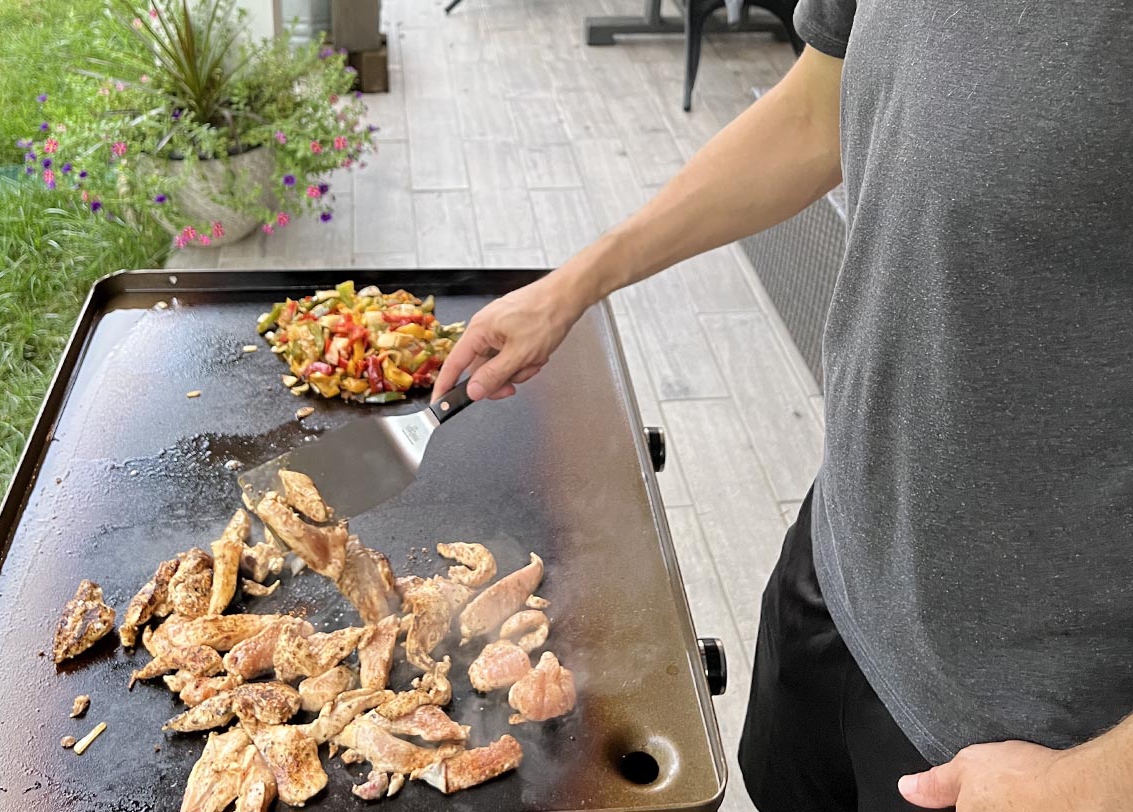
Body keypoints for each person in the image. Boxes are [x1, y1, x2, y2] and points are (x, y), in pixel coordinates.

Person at [432, 1, 1133, 810]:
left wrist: (1087, 786)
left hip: (1038, 729)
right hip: (845, 572)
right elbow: (815, 111)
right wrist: (579, 282)